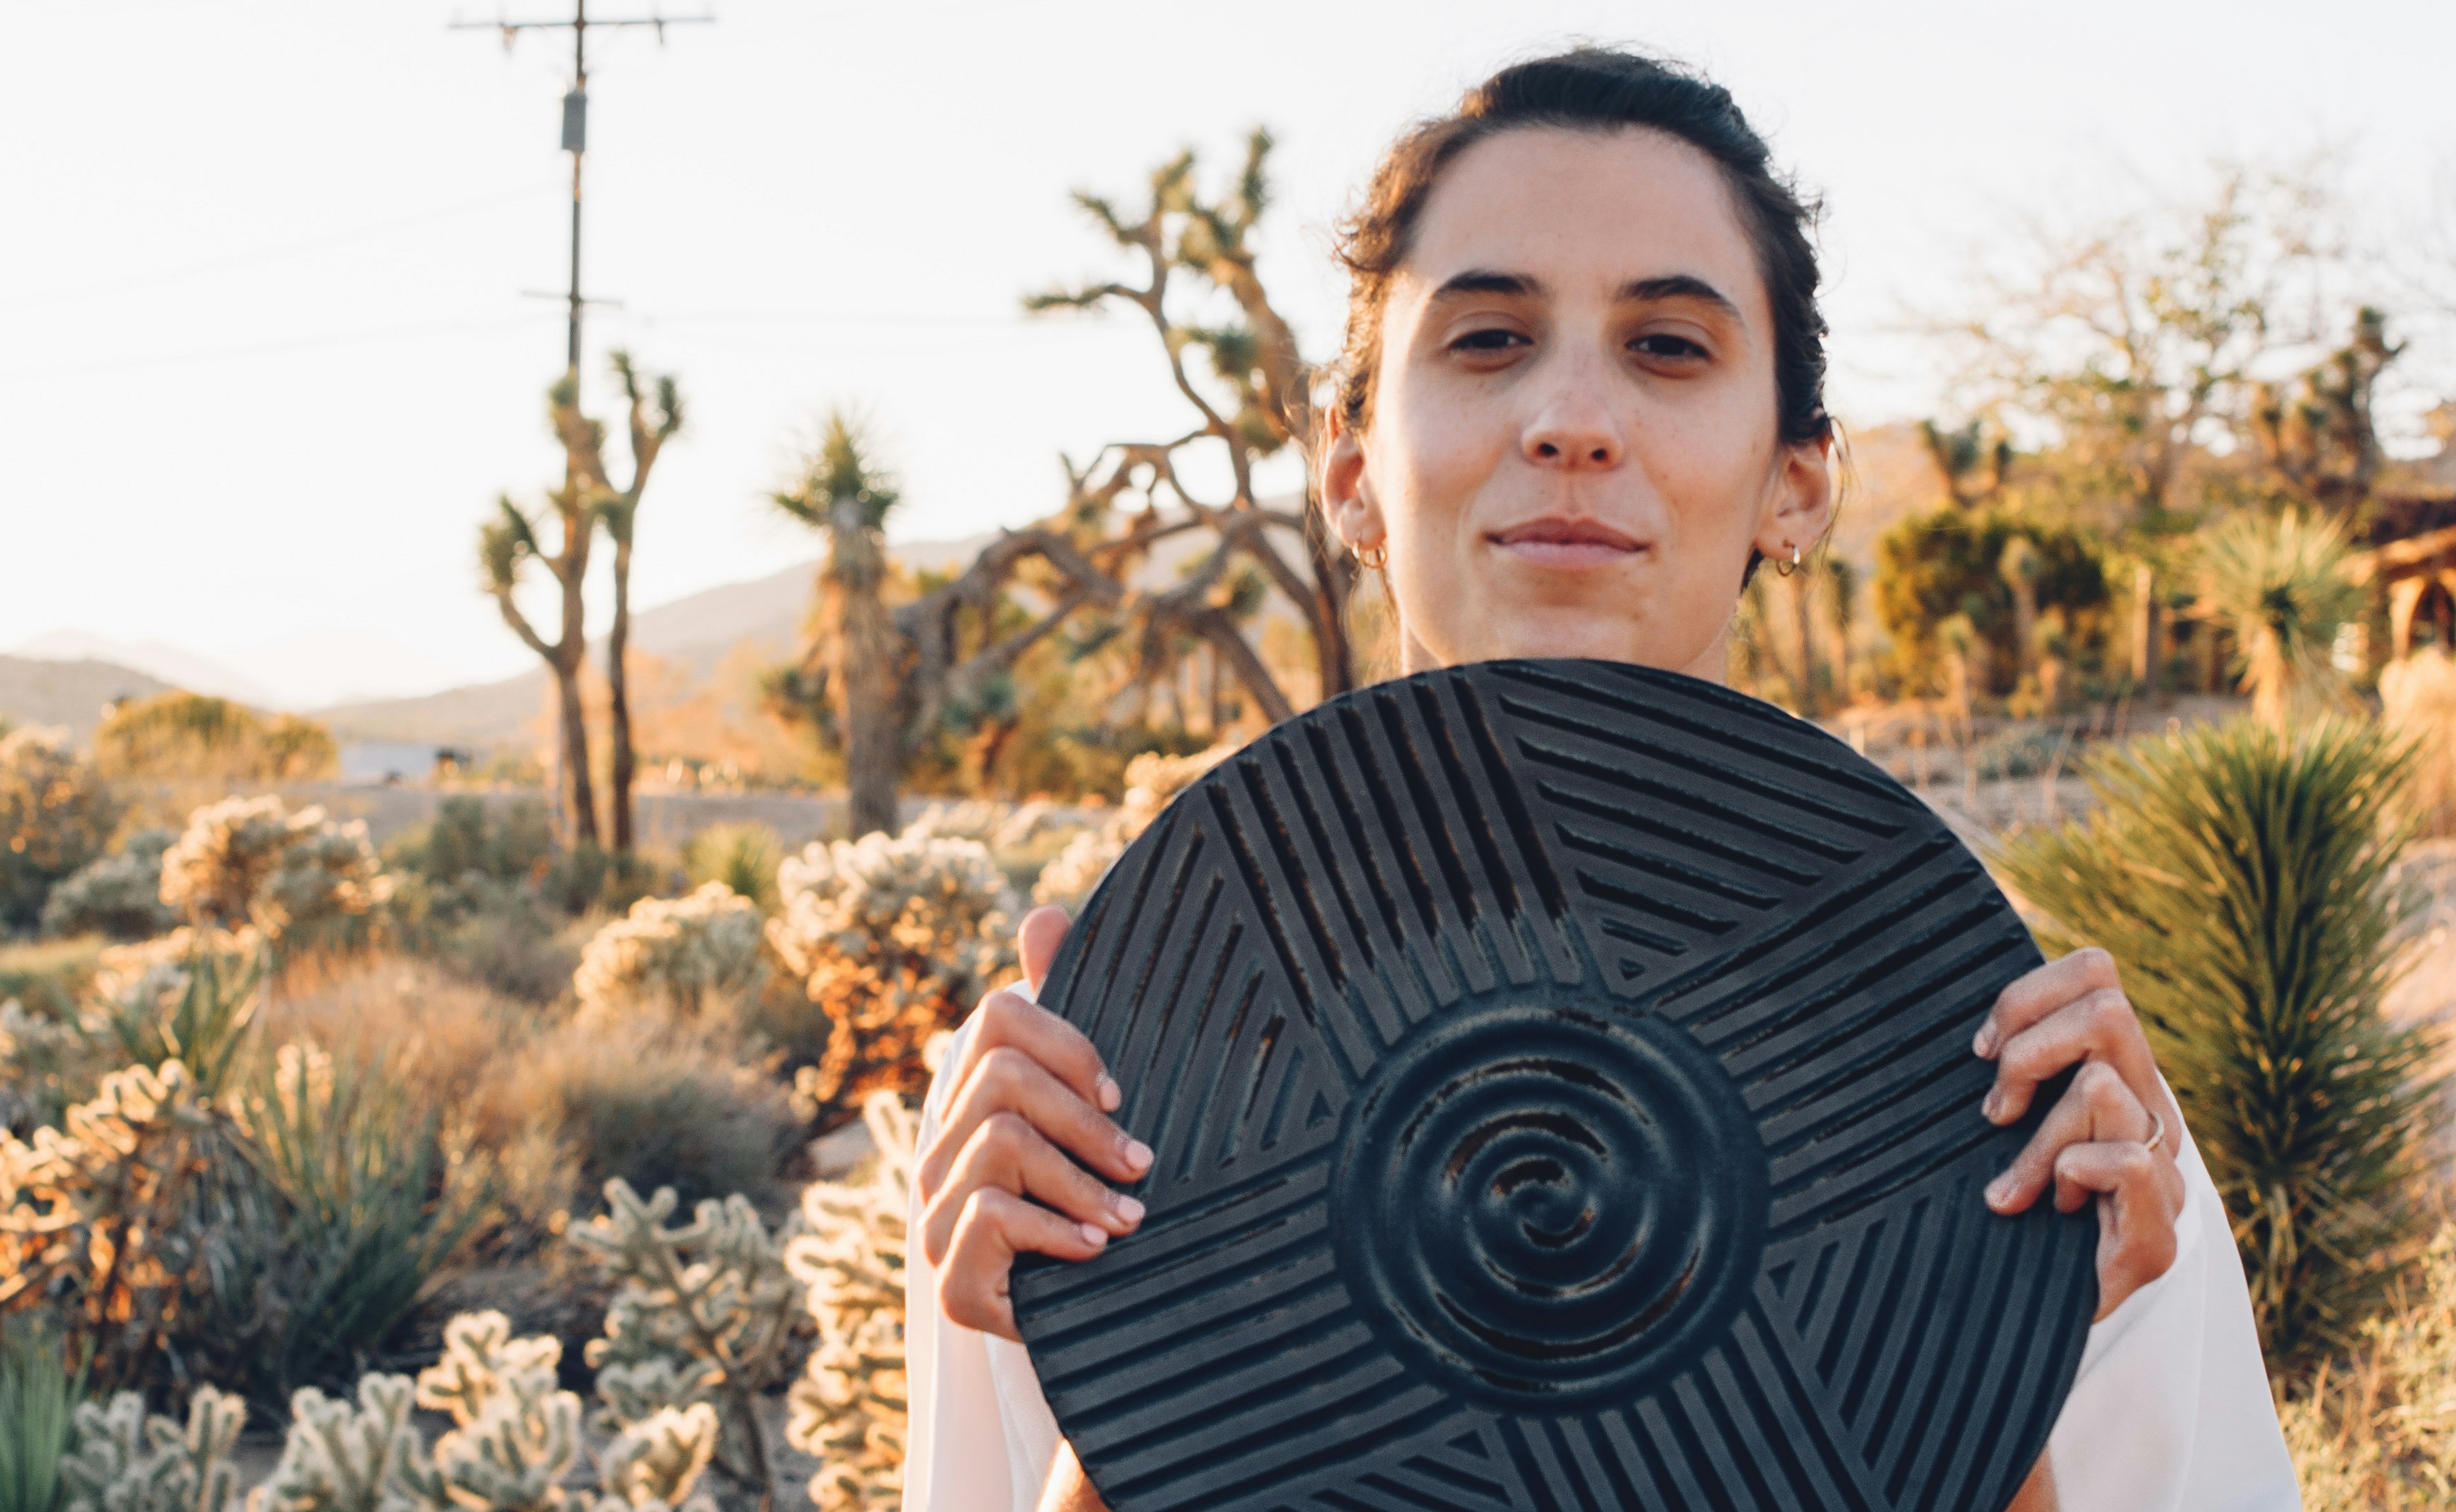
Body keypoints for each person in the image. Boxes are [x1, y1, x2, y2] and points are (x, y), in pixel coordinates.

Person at [905, 48, 2297, 1512]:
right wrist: (1142, 1389)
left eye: (1671, 347)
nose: (1572, 419)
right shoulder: (1071, 1104)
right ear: (1352, 471)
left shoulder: (2040, 1099)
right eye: (1490, 338)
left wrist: (1978, 1375)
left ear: (1797, 479)